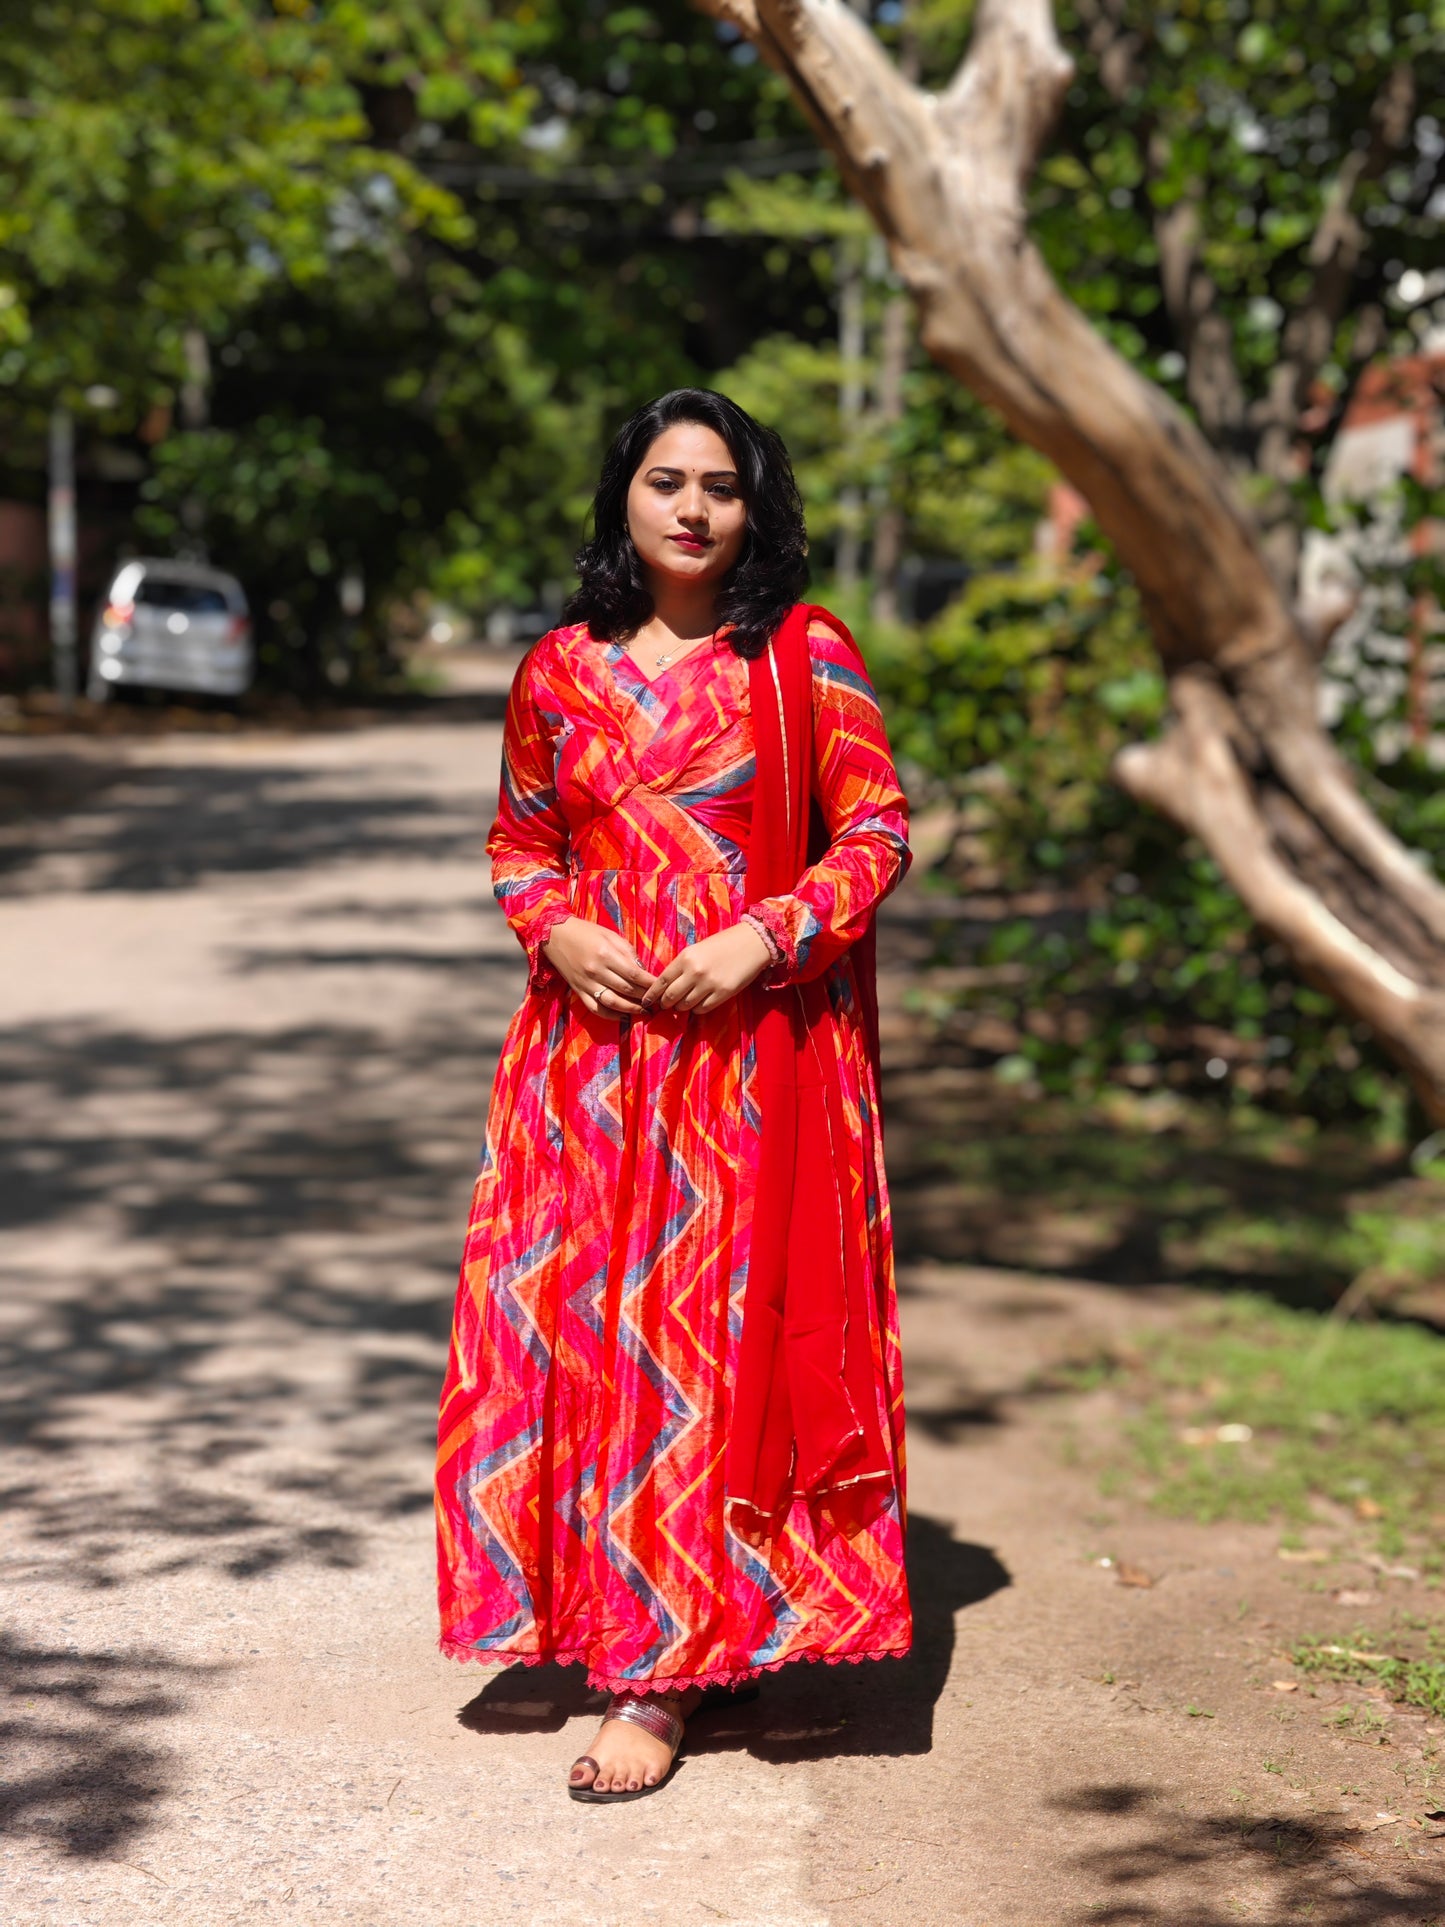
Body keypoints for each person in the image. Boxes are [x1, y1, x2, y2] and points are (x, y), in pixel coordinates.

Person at [436, 388, 913, 1803]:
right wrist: (554, 928)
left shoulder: (801, 658)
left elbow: (876, 826)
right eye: (665, 481)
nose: (693, 508)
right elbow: (521, 839)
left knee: (699, 1354)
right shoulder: (557, 670)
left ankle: (656, 1673)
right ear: (623, 502)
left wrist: (764, 936)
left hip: (744, 1069)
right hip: (581, 1068)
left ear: (756, 508)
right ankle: (615, 1611)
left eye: (721, 485)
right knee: (572, 1340)